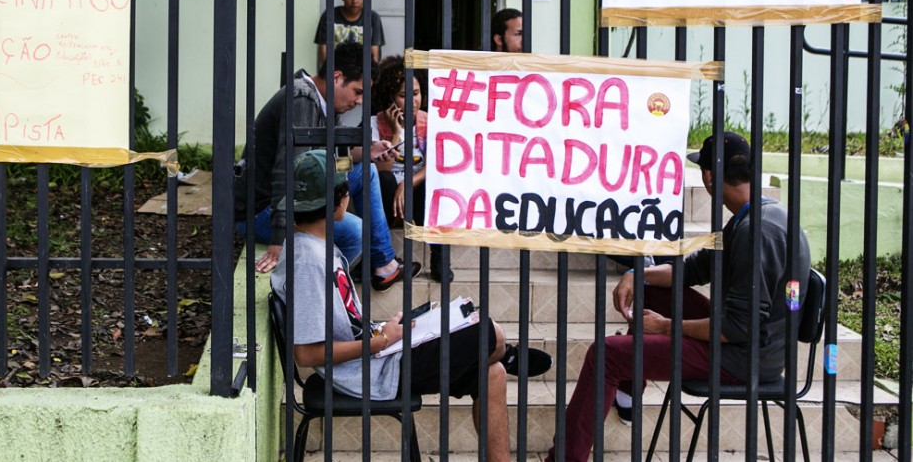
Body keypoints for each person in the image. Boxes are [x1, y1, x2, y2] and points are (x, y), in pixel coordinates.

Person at [545, 132, 812, 462]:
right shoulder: (757, 216)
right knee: (653, 290)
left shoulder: (755, 232)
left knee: (606, 354)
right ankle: (629, 390)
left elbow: (737, 328)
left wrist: (665, 326)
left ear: (709, 176)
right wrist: (638, 274)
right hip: (752, 344)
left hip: (744, 359)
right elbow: (695, 269)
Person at [271, 150, 552, 462]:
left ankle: (502, 360)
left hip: (377, 357)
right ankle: (506, 352)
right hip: (369, 373)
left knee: (492, 372)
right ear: (339, 203)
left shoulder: (317, 248)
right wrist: (382, 340)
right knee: (487, 331)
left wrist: (382, 331)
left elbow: (345, 324)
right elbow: (307, 354)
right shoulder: (308, 261)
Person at [238, 42, 418, 291]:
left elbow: (334, 158)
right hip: (262, 212)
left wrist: (369, 151)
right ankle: (321, 290)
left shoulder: (325, 102)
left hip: (300, 194)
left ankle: (383, 264)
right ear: (336, 77)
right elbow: (289, 170)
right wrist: (280, 237)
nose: (359, 101)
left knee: (365, 171)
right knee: (356, 232)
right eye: (357, 91)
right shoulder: (302, 99)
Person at [370, 56, 452, 283]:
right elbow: (382, 168)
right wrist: (395, 133)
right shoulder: (375, 124)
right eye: (403, 95)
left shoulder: (431, 121)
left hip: (415, 191)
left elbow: (437, 164)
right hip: (388, 195)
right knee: (384, 179)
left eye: (415, 93)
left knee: (434, 185)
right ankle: (381, 257)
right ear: (389, 96)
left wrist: (408, 184)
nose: (412, 101)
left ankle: (439, 257)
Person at [315, 0, 386, 65]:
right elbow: (324, 49)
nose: (354, 1)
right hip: (336, 70)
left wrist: (370, 73)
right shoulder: (329, 16)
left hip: (361, 71)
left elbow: (374, 54)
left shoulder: (373, 18)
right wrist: (329, 72)